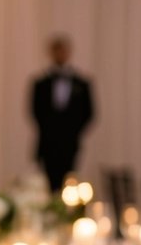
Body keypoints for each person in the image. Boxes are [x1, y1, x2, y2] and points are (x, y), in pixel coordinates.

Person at [30, 35, 94, 192]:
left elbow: (89, 112)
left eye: (63, 51)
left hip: (70, 142)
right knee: (48, 184)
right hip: (47, 142)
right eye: (57, 51)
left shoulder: (82, 83)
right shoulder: (40, 83)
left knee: (70, 184)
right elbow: (35, 111)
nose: (60, 54)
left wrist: (73, 131)